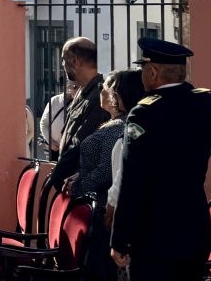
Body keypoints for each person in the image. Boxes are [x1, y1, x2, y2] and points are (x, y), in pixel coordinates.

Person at [110, 37, 211, 281]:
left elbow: (133, 181)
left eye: (143, 68)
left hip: (155, 235)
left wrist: (120, 238)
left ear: (152, 71)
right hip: (194, 229)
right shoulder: (205, 102)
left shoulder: (145, 112)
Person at [66, 69, 145, 281]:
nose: (103, 91)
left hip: (107, 209)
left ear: (120, 96)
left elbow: (108, 172)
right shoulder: (116, 124)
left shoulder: (121, 128)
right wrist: (79, 175)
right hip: (101, 205)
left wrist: (78, 187)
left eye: (108, 88)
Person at [48, 38, 110, 188]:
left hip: (80, 187)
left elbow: (79, 144)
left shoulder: (98, 97)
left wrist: (57, 177)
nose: (62, 65)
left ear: (75, 61)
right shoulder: (82, 91)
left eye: (64, 60)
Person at [39, 80, 75, 161]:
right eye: (71, 86)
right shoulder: (55, 101)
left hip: (70, 149)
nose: (73, 89)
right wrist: (50, 142)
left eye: (75, 86)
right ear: (66, 86)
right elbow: (44, 124)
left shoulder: (79, 103)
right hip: (54, 147)